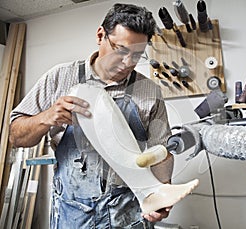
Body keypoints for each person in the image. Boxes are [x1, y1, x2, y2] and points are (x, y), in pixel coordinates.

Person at [9, 3, 175, 228]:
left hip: (129, 214)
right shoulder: (59, 78)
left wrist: (162, 193)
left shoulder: (149, 92)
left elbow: (161, 153)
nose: (127, 63)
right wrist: (46, 117)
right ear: (100, 35)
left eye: (137, 55)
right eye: (121, 50)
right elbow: (16, 136)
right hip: (73, 214)